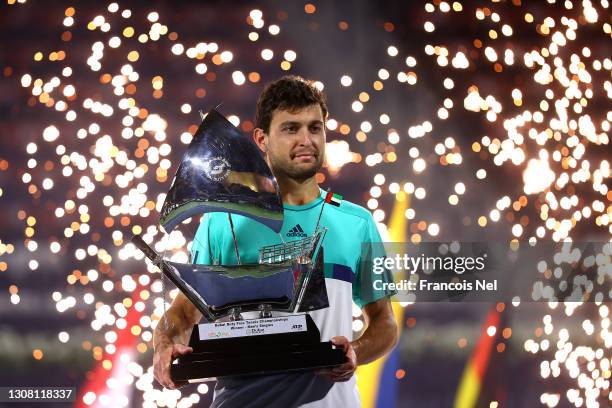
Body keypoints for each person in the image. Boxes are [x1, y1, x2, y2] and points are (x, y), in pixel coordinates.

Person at [153, 75, 398, 407]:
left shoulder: (357, 222)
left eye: (315, 128)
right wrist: (164, 344)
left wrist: (355, 350)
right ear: (261, 139)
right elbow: (181, 314)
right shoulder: (221, 222)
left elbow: (385, 322)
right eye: (290, 128)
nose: (306, 139)